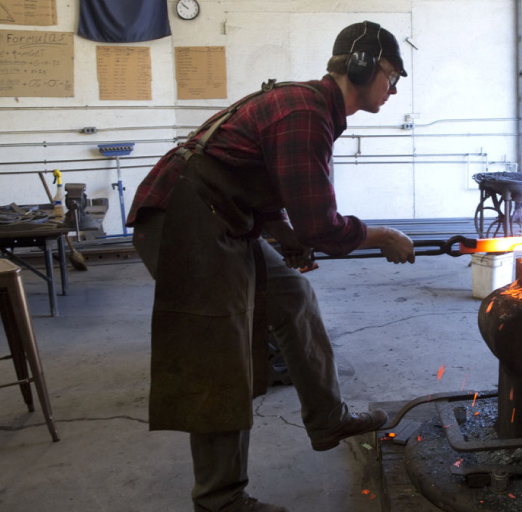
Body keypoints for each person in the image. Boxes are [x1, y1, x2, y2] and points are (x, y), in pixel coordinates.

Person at [127, 21, 414, 512]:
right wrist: (382, 236)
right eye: (392, 74)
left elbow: (266, 182)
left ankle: (328, 419)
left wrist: (281, 233)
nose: (393, 88)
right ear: (364, 64)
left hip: (224, 217)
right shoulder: (306, 113)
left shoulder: (310, 108)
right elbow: (321, 226)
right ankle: (220, 498)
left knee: (293, 297)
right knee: (222, 353)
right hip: (185, 221)